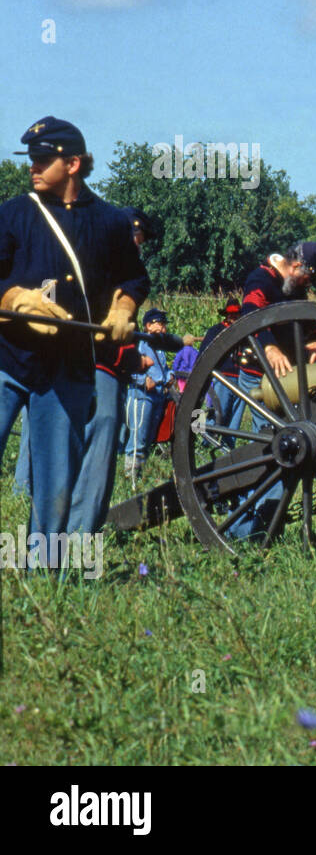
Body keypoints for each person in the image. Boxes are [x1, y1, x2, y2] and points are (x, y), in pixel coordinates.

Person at [0, 116, 149, 567]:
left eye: (44, 158)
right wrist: (14, 297)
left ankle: (44, 574)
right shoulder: (13, 213)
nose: (33, 166)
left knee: (55, 488)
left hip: (67, 370)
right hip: (8, 359)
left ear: (74, 163)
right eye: (31, 158)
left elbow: (133, 277)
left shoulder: (109, 221)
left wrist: (124, 308)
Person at [227, 240, 316, 540]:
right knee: (270, 450)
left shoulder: (294, 287)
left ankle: (269, 521)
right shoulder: (262, 279)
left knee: (284, 446)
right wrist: (269, 346)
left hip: (288, 380)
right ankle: (248, 531)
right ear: (297, 266)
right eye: (312, 276)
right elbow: (249, 313)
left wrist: (313, 341)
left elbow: (311, 325)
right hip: (260, 377)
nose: (312, 284)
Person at [123, 308, 173, 477]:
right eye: (160, 324)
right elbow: (128, 367)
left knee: (149, 438)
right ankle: (131, 475)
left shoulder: (160, 348)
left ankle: (142, 473)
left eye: (164, 325)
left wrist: (170, 376)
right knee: (138, 439)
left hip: (158, 395)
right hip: (142, 395)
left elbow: (163, 369)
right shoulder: (139, 344)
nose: (164, 329)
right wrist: (142, 380)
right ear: (148, 326)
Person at [198, 298, 244, 430]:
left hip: (240, 378)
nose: (233, 317)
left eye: (236, 314)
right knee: (218, 412)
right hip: (222, 376)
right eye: (231, 314)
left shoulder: (244, 330)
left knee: (235, 417)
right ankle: (207, 439)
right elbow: (204, 353)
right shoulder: (216, 330)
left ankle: (228, 443)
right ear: (226, 315)